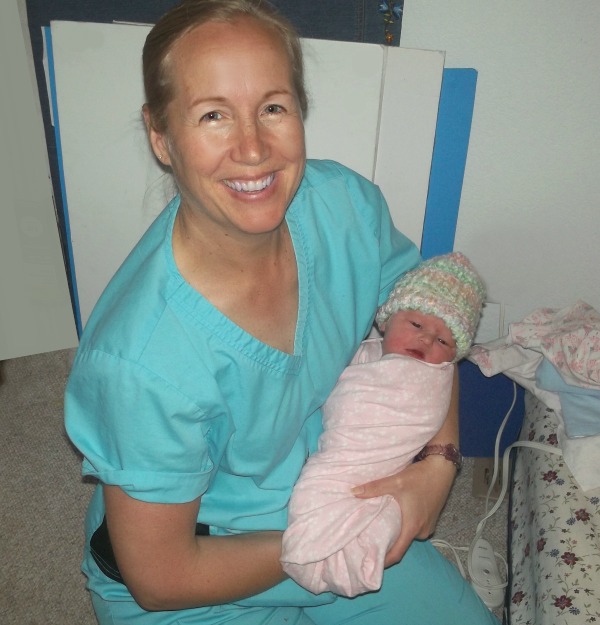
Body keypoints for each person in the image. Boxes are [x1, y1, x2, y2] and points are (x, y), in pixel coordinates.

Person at [64, 1, 499, 624]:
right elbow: (161, 577)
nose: (252, 148)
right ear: (161, 136)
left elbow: (430, 317)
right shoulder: (138, 361)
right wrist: (336, 537)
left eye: (273, 107)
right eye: (213, 115)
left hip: (321, 486)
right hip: (199, 570)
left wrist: (438, 462)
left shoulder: (343, 205)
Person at [281, 252, 486, 597]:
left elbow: (437, 387)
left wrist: (440, 466)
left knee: (377, 514)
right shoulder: (367, 350)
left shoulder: (426, 377)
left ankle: (333, 561)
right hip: (342, 460)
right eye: (416, 325)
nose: (424, 341)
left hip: (381, 474)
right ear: (385, 321)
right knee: (321, 498)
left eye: (442, 341)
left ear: (453, 358)